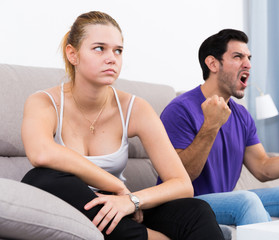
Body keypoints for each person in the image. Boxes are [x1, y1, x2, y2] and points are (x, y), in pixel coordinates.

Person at [21, 11, 224, 240]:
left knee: (197, 212)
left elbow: (182, 184)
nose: (112, 58)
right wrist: (116, 185)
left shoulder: (134, 107)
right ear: (72, 54)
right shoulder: (44, 102)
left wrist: (131, 201)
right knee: (41, 178)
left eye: (118, 50)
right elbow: (40, 153)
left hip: (123, 210)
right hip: (77, 207)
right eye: (99, 48)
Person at [159, 29, 279, 226]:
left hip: (222, 200)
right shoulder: (180, 109)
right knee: (246, 201)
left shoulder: (241, 115)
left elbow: (263, 168)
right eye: (238, 56)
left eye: (249, 58)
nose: (248, 64)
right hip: (181, 206)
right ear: (213, 64)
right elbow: (180, 176)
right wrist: (211, 126)